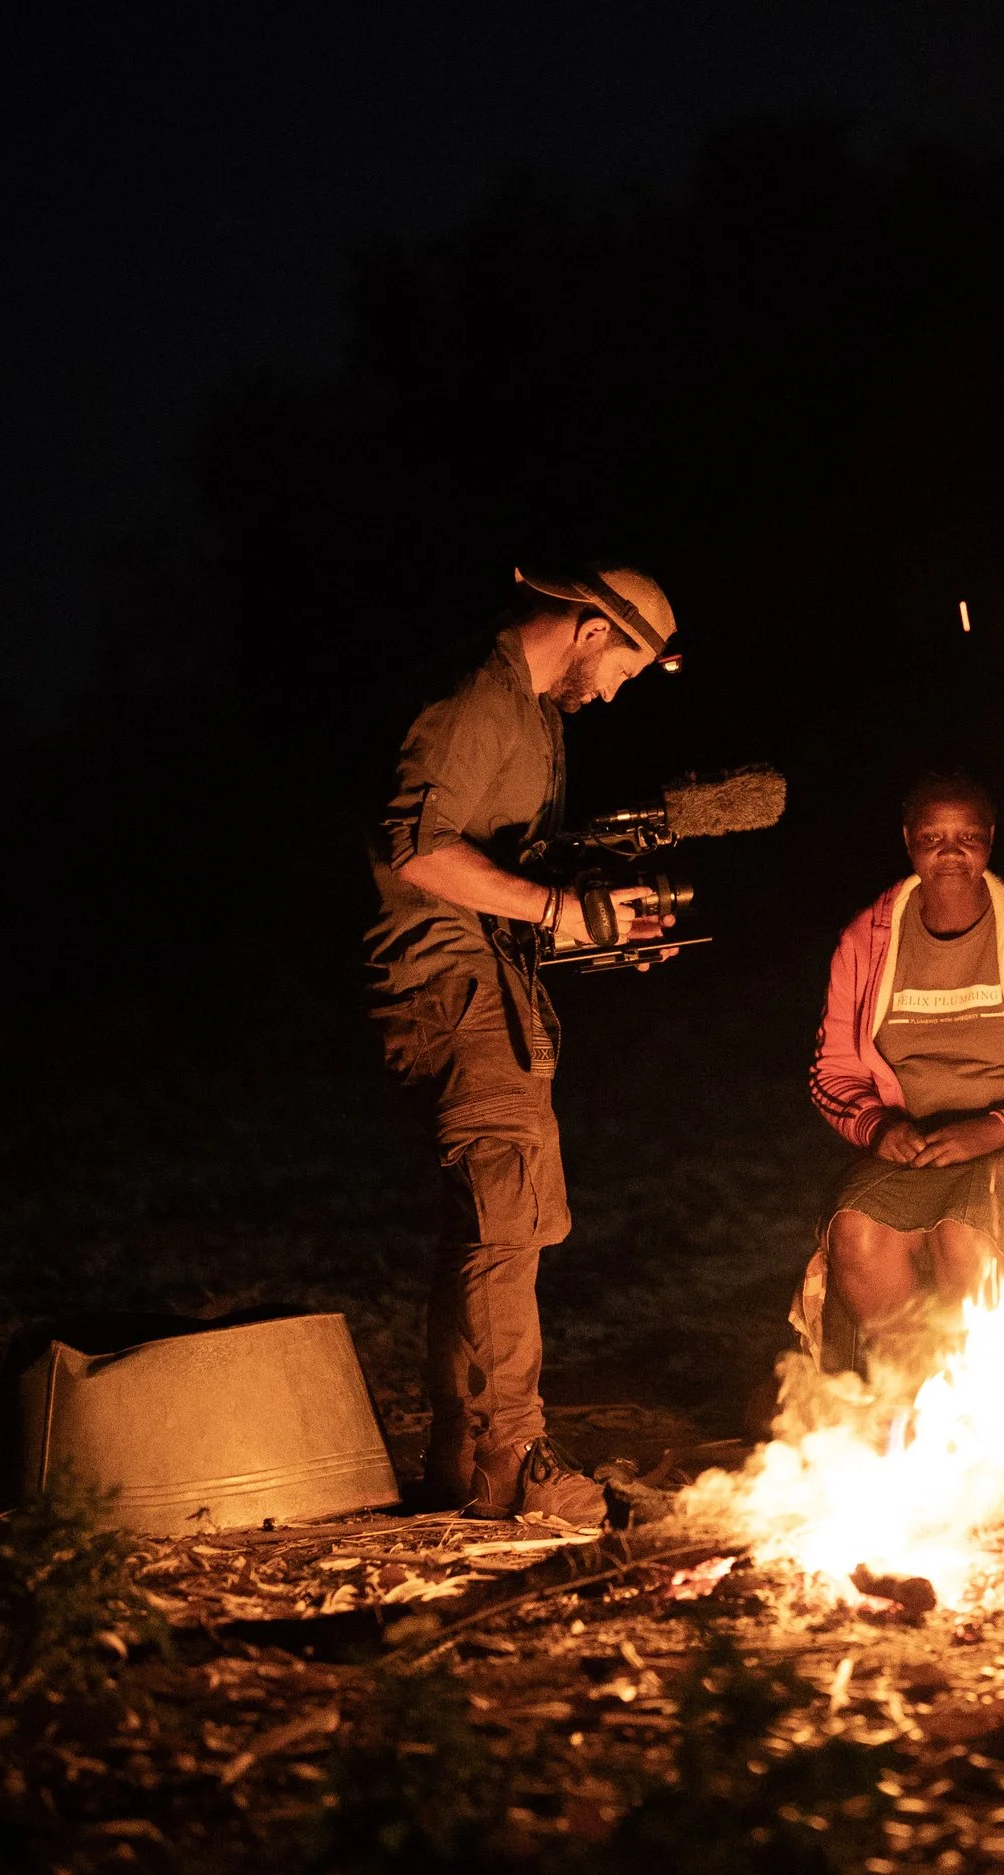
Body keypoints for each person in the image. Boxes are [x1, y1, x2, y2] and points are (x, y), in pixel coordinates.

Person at [367, 563, 683, 1523]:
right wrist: (557, 909)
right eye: (627, 666)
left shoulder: (534, 710)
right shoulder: (476, 697)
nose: (619, 690)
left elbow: (504, 864)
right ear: (592, 628)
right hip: (448, 989)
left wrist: (588, 921)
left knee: (492, 1226)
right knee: (504, 1225)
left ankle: (458, 1459)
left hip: (494, 986)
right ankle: (518, 1460)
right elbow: (413, 846)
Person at [800, 776, 1004, 1373]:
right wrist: (876, 1128)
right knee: (856, 1229)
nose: (950, 852)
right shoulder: (867, 941)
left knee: (967, 1234)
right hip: (916, 1144)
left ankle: (991, 1394)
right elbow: (832, 1071)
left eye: (967, 836)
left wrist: (999, 1127)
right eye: (932, 837)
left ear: (990, 841)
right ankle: (919, 1396)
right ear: (908, 841)